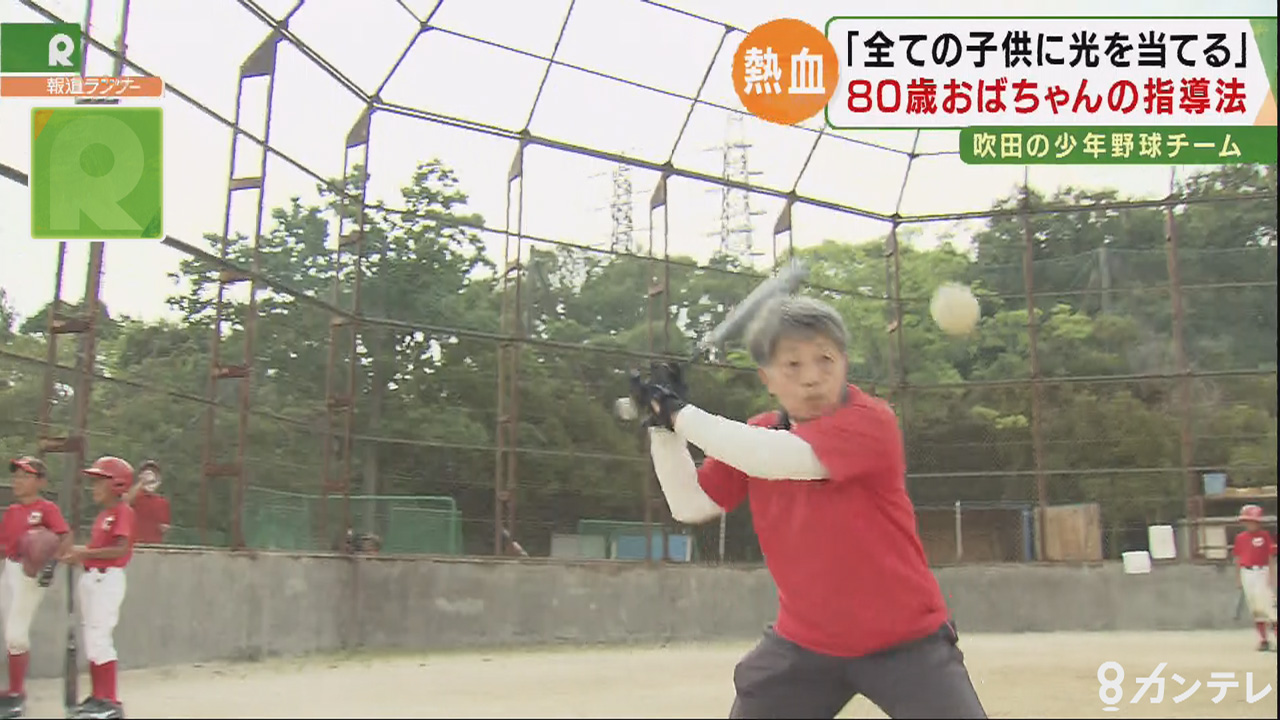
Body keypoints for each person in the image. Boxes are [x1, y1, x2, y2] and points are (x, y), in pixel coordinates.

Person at [636, 295, 986, 719]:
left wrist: (678, 413)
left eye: (825, 360)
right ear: (767, 378)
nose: (812, 378)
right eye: (792, 365)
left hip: (906, 640)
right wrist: (662, 430)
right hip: (806, 644)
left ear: (845, 363)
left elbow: (773, 457)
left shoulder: (871, 422)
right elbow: (689, 503)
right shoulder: (758, 433)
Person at [60, 456, 136, 720]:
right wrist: (78, 558)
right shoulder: (104, 515)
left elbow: (120, 549)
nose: (94, 487)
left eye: (100, 481)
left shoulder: (123, 512)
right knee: (92, 641)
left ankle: (111, 702)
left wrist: (84, 553)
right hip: (93, 579)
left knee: (100, 639)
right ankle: (98, 697)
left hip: (108, 579)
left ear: (117, 484)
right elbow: (96, 552)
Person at [0, 457, 72, 717]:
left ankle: (17, 694)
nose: (18, 480)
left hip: (30, 574)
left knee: (15, 634)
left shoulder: (46, 508)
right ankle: (13, 690)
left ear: (41, 482)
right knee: (9, 631)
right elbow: (3, 547)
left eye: (26, 476)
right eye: (17, 475)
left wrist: (52, 564)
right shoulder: (12, 511)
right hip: (10, 569)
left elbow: (65, 536)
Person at [1232, 503, 1277, 652]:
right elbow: (1238, 558)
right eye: (1247, 521)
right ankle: (1263, 640)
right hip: (1247, 572)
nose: (1250, 524)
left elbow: (1270, 556)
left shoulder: (1264, 536)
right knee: (1255, 608)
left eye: (1253, 521)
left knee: (1269, 605)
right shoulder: (1240, 538)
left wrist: (1272, 575)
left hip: (1261, 571)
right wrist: (1238, 578)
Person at [124, 460, 170, 544]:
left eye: (154, 473)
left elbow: (164, 527)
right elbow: (125, 502)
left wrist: (163, 528)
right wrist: (142, 482)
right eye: (146, 472)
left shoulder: (163, 502)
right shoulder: (135, 496)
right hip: (134, 544)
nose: (150, 476)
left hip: (154, 546)